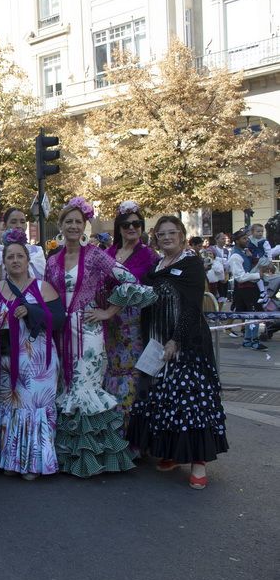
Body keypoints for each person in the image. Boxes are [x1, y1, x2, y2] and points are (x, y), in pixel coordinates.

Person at [45, 197, 154, 478]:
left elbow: (129, 280)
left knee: (84, 388)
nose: (72, 226)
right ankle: (67, 455)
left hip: (89, 332)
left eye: (77, 222)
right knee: (65, 387)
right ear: (60, 225)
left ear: (85, 227)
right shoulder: (53, 260)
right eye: (68, 221)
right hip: (61, 334)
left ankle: (92, 456)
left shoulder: (95, 255)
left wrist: (109, 311)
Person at [128, 217, 229, 489]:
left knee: (190, 403)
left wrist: (176, 340)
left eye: (172, 233)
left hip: (187, 344)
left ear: (183, 236)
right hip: (158, 342)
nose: (167, 237)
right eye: (162, 234)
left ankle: (198, 463)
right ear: (156, 239)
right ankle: (172, 453)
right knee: (162, 399)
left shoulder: (192, 264)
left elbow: (192, 308)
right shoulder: (157, 267)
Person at [0, 229, 65, 480]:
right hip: (5, 361)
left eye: (20, 256)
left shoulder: (43, 287)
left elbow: (59, 319)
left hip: (36, 363)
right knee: (8, 408)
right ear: (4, 262)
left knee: (33, 409)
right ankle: (9, 459)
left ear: (28, 261)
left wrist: (30, 310)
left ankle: (33, 463)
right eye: (11, 257)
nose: (16, 260)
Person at [104, 201, 160, 412]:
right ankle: (113, 423)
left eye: (136, 224)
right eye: (126, 224)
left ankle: (132, 425)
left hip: (135, 323)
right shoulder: (108, 253)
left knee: (133, 370)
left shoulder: (149, 255)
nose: (131, 228)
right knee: (112, 367)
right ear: (119, 228)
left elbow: (152, 291)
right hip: (111, 323)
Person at [229, 229, 268, 351]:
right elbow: (240, 277)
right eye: (244, 238)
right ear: (236, 241)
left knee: (250, 315)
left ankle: (247, 340)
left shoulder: (244, 252)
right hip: (245, 290)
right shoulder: (235, 256)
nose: (247, 240)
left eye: (247, 238)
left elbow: (251, 266)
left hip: (250, 288)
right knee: (252, 315)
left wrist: (253, 259)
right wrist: (258, 276)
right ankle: (253, 341)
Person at [1, 208, 45, 278]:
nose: (19, 225)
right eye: (13, 222)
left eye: (22, 222)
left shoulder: (37, 251)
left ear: (26, 225)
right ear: (4, 226)